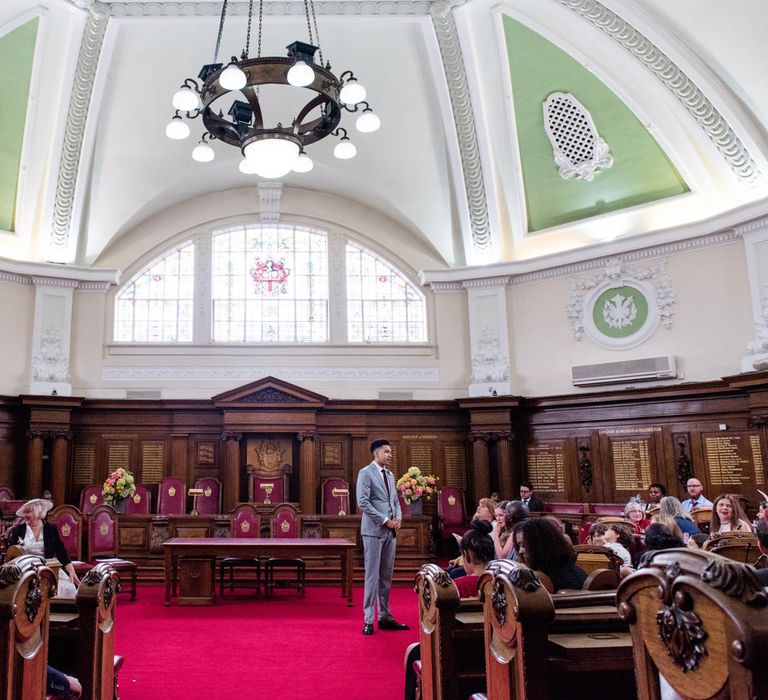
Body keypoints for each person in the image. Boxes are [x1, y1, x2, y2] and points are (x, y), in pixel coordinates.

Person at [356, 439, 408, 635]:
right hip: (373, 531)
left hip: (390, 532)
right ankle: (369, 620)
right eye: (386, 452)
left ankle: (385, 617)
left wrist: (398, 518)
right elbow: (363, 502)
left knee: (386, 576)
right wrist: (385, 520)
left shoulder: (390, 474)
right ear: (376, 453)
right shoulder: (365, 473)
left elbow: (394, 500)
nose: (390, 455)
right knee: (372, 576)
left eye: (390, 452)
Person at [4, 498, 79, 597]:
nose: (25, 515)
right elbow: (11, 553)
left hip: (48, 569)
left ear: (38, 512)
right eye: (25, 512)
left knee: (67, 588)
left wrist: (71, 570)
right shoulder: (18, 530)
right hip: (25, 571)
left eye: (28, 512)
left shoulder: (51, 529)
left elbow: (61, 551)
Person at [516, 517, 586, 591]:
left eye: (524, 545)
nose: (520, 551)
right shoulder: (576, 570)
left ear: (540, 545)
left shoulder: (539, 579)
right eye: (519, 545)